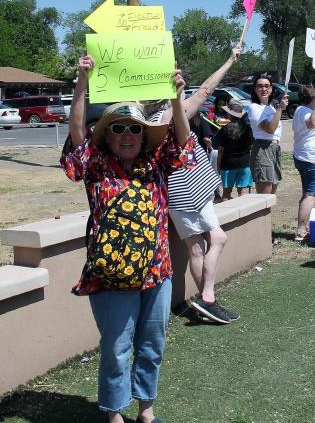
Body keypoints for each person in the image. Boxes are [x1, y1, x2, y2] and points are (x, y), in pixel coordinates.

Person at [63, 55, 194, 423]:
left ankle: (146, 412)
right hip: (110, 275)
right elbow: (76, 135)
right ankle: (114, 414)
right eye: (118, 128)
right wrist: (82, 82)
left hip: (157, 271)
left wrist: (174, 96)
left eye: (135, 129)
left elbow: (183, 144)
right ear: (106, 134)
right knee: (117, 349)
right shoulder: (96, 167)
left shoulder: (155, 162)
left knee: (152, 346)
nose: (127, 136)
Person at [151, 44, 242, 324]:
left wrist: (229, 61)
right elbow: (202, 93)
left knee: (198, 247)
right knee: (216, 239)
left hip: (185, 191)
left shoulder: (161, 115)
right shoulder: (163, 118)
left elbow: (203, 91)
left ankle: (207, 301)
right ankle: (208, 298)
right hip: (186, 190)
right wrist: (176, 95)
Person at [291, 86, 315, 240]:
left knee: (307, 192)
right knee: (311, 195)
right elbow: (312, 123)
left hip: (304, 156)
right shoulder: (307, 112)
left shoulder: (300, 110)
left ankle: (304, 225)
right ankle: (301, 230)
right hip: (312, 158)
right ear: (314, 98)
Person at [247, 74, 289, 195]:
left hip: (275, 148)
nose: (264, 89)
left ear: (271, 88)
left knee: (272, 192)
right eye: (260, 86)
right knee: (265, 195)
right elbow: (270, 129)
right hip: (262, 148)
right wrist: (280, 109)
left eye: (267, 86)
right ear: (255, 89)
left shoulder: (271, 107)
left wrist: (278, 109)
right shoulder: (254, 108)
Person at [214, 100, 254, 200]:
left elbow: (220, 149)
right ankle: (245, 215)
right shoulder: (247, 128)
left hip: (228, 164)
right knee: (243, 192)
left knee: (226, 194)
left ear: (230, 114)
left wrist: (218, 165)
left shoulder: (224, 129)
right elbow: (251, 146)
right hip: (244, 163)